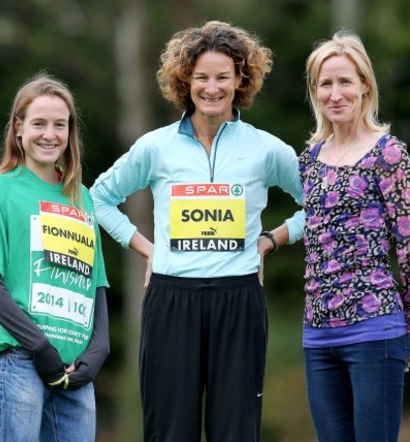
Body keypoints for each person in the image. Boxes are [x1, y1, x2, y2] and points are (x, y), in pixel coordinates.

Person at [91, 20, 303, 442]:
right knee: (170, 431)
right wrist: (145, 248)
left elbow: (324, 204)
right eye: (202, 77)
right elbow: (98, 197)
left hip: (239, 300)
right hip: (172, 301)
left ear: (241, 79)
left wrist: (274, 239)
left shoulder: (266, 148)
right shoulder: (156, 146)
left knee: (236, 432)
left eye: (223, 77)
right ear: (185, 80)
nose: (212, 88)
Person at [298, 31, 410, 442]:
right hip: (318, 336)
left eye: (345, 82)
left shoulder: (388, 154)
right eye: (326, 84)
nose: (335, 93)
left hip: (375, 332)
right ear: (315, 91)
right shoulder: (310, 161)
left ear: (365, 88)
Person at [0, 72, 110, 442]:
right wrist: (39, 347)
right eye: (39, 123)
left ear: (70, 132)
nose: (50, 134)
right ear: (18, 129)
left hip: (76, 372)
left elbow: (95, 283)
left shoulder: (82, 196)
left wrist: (98, 350)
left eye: (59, 125)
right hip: (20, 362)